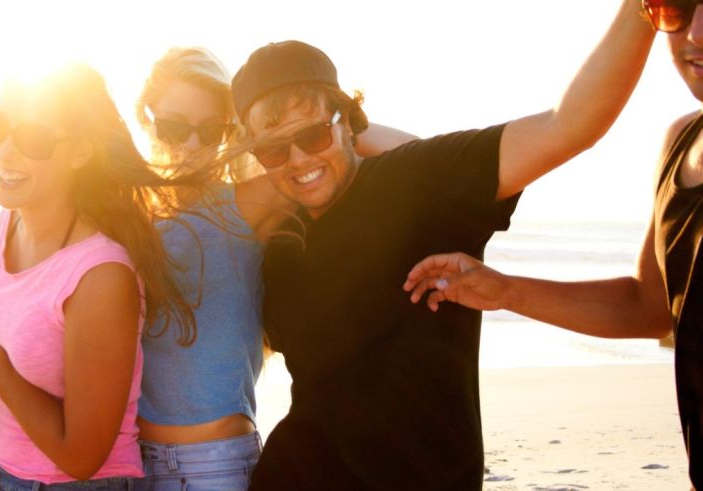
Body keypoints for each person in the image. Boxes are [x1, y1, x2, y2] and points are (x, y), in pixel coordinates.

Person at [226, 1, 655, 489]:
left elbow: (570, 124)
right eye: (273, 148)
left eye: (313, 134)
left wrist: (646, 8)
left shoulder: (419, 181)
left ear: (347, 119)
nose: (298, 159)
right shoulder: (277, 239)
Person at [403, 2, 703, 488]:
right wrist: (505, 292)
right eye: (675, 7)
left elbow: (572, 122)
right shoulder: (680, 142)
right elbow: (648, 306)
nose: (697, 33)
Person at [131, 46, 417, 490]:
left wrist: (335, 126)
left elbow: (419, 162)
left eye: (209, 131)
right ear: (146, 120)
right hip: (128, 466)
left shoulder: (247, 204)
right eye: (173, 128)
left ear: (232, 135)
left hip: (214, 468)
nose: (190, 145)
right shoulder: (128, 218)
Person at [0, 62, 193, 490]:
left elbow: (82, 457)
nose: (4, 152)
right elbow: (42, 360)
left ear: (80, 151)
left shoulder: (102, 276)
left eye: (33, 138)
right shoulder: (12, 220)